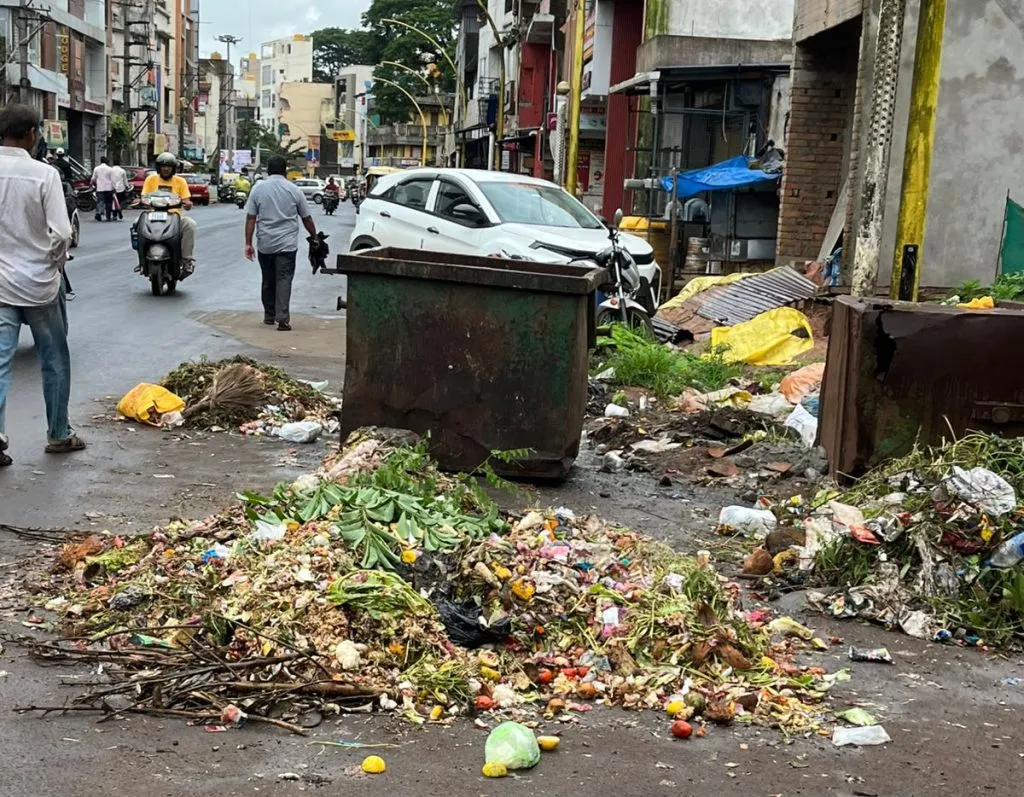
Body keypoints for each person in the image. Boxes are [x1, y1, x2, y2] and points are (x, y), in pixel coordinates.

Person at [0, 103, 83, 467]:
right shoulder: (43, 174)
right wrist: (50, 263)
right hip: (40, 286)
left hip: (0, 285)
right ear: (33, 134)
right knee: (54, 360)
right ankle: (58, 433)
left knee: (0, 361)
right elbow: (62, 233)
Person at [243, 155, 318, 332]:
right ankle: (282, 318)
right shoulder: (294, 190)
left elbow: (251, 218)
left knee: (268, 279)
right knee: (284, 279)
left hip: (265, 243)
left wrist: (248, 243)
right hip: (287, 244)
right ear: (285, 171)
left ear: (268, 170)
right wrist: (314, 237)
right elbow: (306, 217)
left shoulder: (258, 189)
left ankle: (269, 315)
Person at [141, 152, 197, 276]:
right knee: (136, 225)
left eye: (169, 166)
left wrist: (187, 204)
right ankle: (141, 258)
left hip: (174, 216)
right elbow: (144, 196)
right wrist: (140, 201)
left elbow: (186, 199)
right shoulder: (150, 179)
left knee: (190, 225)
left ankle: (187, 260)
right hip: (153, 214)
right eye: (163, 166)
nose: (165, 169)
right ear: (158, 167)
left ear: (173, 168)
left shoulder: (180, 181)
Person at [90, 155, 115, 221]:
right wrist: (114, 188)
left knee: (100, 201)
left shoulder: (96, 168)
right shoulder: (110, 169)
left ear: (100, 161)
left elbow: (93, 178)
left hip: (100, 188)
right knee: (108, 202)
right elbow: (113, 180)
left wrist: (91, 184)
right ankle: (108, 216)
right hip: (108, 188)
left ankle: (99, 212)